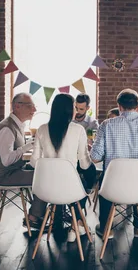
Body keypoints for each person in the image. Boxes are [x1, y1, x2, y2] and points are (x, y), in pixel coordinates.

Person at [90, 89, 138, 239]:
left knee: (104, 180)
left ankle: (107, 227)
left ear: (119, 106)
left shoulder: (107, 125)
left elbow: (94, 157)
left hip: (113, 187)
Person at [29, 94, 97, 242]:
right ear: (69, 110)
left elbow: (34, 163)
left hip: (45, 189)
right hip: (71, 189)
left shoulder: (41, 129)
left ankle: (75, 222)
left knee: (79, 180)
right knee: (88, 176)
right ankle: (77, 222)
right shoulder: (78, 130)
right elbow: (84, 163)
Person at [0, 93, 38, 230]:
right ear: (17, 106)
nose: (34, 110)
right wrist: (28, 146)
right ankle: (35, 217)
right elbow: (6, 160)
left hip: (14, 170)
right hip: (5, 175)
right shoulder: (7, 128)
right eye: (30, 106)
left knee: (42, 170)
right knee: (44, 177)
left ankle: (38, 215)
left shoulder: (17, 125)